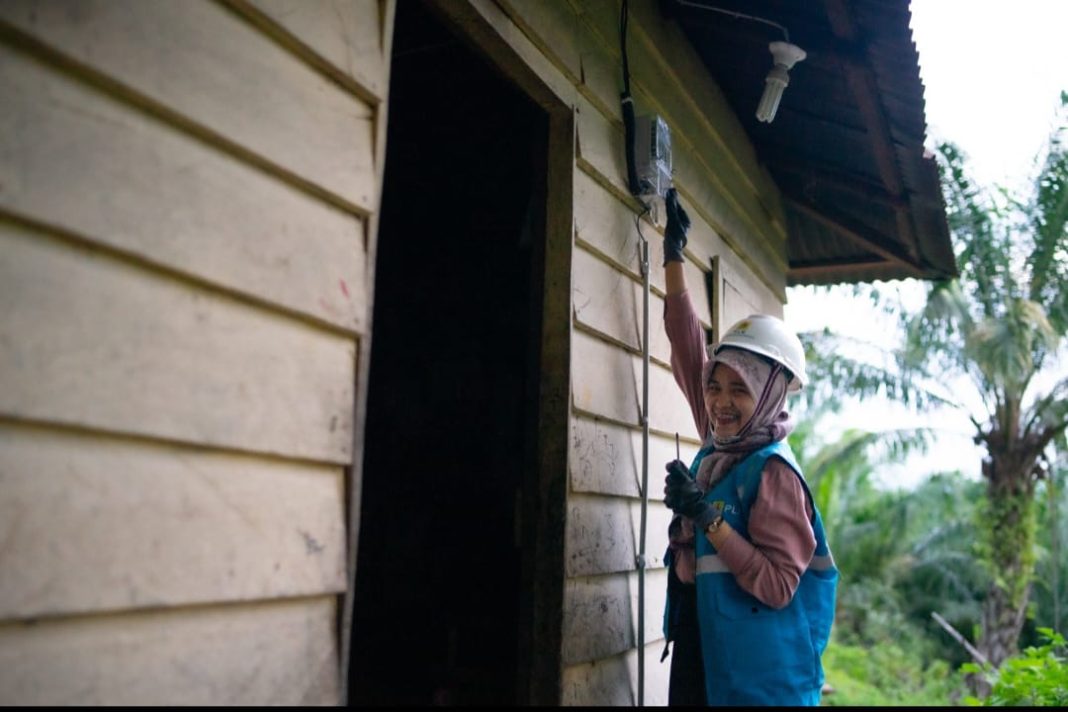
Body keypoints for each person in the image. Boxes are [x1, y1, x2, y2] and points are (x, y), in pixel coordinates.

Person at [658, 188, 838, 706]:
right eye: (716, 387)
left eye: (741, 388)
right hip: (706, 650)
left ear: (770, 395)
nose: (721, 401)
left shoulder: (773, 472)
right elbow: (690, 350)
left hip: (755, 681)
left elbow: (780, 586)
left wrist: (706, 515)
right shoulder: (722, 438)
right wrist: (674, 257)